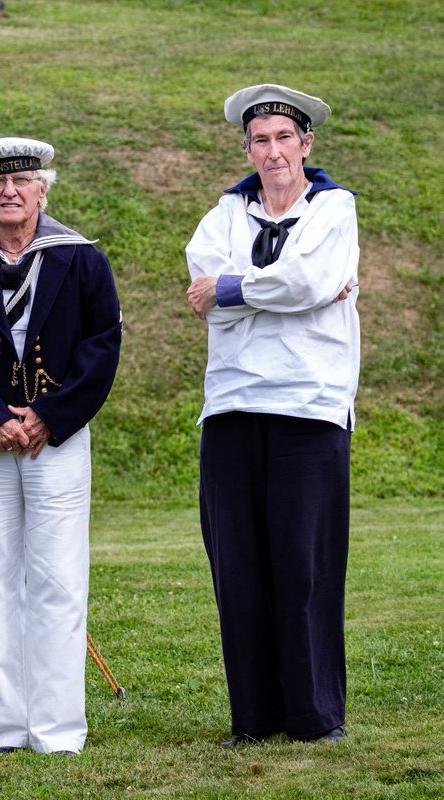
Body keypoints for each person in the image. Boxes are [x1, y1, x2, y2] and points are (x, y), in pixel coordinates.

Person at [0, 137, 122, 756]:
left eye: (22, 181)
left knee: (59, 577)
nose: (9, 192)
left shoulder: (84, 260)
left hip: (56, 442)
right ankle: (7, 727)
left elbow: (102, 346)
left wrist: (47, 415)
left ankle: (58, 730)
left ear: (43, 188)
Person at [185, 84, 360, 747]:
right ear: (247, 148)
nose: (274, 151)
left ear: (307, 144)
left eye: (285, 138)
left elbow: (310, 281)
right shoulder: (224, 214)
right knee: (240, 565)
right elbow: (207, 275)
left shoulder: (334, 208)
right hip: (231, 404)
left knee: (304, 564)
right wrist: (279, 291)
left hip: (310, 406)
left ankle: (315, 717)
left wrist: (233, 289)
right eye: (261, 139)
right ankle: (254, 720)